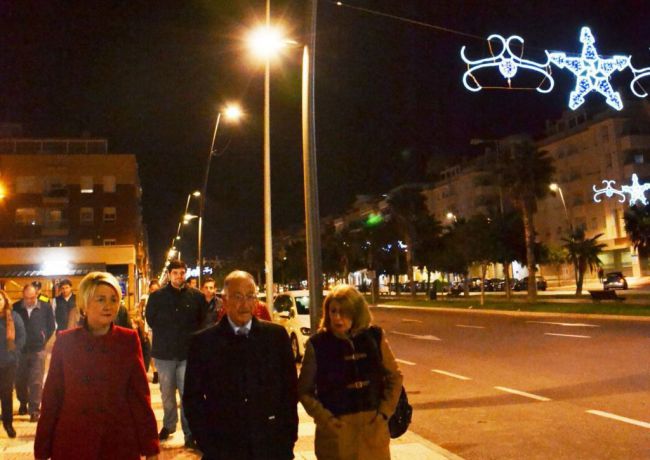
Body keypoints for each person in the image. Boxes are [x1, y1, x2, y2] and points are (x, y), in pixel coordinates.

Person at [34, 271, 159, 460]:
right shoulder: (66, 341)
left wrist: (150, 448)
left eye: (114, 299)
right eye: (101, 299)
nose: (109, 306)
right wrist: (42, 450)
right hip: (74, 440)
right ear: (85, 303)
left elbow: (139, 397)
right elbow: (52, 397)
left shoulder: (128, 340)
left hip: (118, 440)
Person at [184, 270, 298, 459]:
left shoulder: (276, 337)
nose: (244, 304)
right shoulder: (203, 343)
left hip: (270, 446)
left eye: (250, 296)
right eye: (237, 297)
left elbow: (289, 392)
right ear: (224, 299)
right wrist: (207, 443)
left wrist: (287, 440)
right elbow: (192, 399)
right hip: (223, 447)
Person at [298, 285, 403, 460]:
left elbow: (395, 377)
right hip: (336, 435)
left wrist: (383, 414)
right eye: (333, 311)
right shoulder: (317, 344)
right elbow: (304, 390)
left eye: (344, 312)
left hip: (372, 431)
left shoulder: (374, 337)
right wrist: (327, 421)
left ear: (356, 312)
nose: (338, 318)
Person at [146, 259, 207, 447]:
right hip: (164, 354)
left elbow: (201, 321)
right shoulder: (157, 297)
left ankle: (190, 433)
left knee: (187, 394)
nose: (179, 277)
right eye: (175, 273)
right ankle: (169, 425)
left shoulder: (196, 297)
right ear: (170, 275)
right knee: (167, 395)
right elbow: (150, 318)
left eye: (182, 273)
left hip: (187, 354)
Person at [13, 284, 55, 422]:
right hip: (20, 351)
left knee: (36, 381)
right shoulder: (16, 307)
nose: (29, 301)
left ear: (36, 295)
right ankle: (23, 402)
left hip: (38, 350)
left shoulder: (45, 307)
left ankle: (35, 410)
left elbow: (50, 326)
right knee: (20, 380)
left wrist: (43, 338)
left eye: (31, 298)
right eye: (26, 298)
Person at [0, 289, 26, 438]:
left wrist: (14, 354)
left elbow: (21, 337)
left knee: (6, 394)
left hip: (8, 363)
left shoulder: (13, 317)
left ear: (5, 301)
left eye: (0, 299)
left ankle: (8, 423)